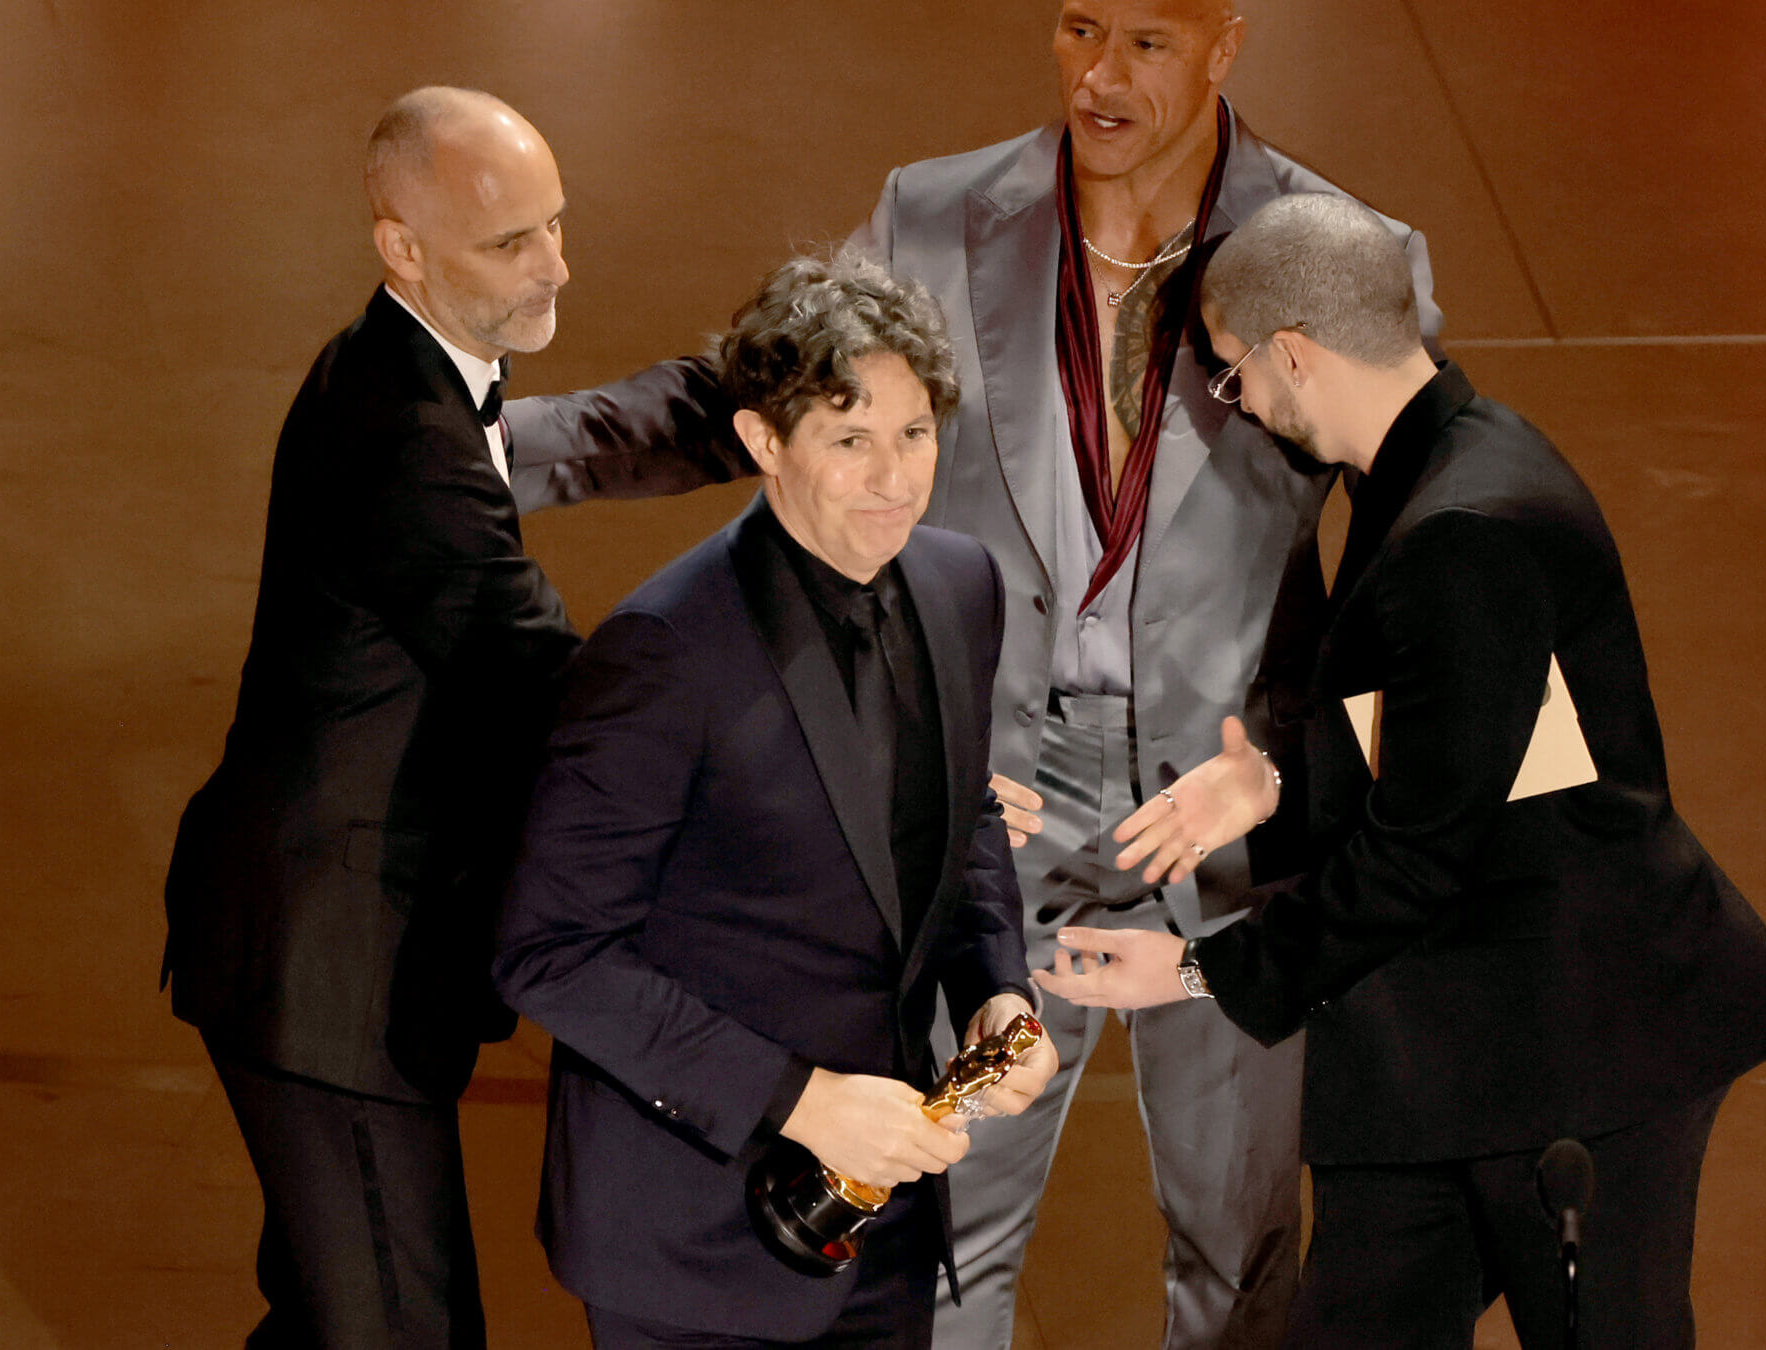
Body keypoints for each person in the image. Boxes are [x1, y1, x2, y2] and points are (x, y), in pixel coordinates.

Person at [503, 5, 1445, 1341]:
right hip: (988, 810)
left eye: (1149, 44)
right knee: (937, 1231)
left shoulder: (1336, 250)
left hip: (1228, 828)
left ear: (1227, 45)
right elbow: (765, 388)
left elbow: (1429, 554)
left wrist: (1298, 767)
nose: (1101, 76)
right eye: (1077, 28)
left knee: (1240, 1251)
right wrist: (488, 445)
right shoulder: (934, 214)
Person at [1034, 194, 1766, 1349]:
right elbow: (1473, 754)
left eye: (1237, 377)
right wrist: (1280, 788)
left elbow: (1424, 854)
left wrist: (1196, 972)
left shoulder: (1465, 532)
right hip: (1444, 1048)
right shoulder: (1443, 466)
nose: (1241, 406)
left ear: (1293, 352)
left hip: (1575, 1049)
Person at [161, 87, 749, 1348]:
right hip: (331, 979)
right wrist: (768, 751)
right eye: (511, 244)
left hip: (300, 948)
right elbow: (544, 679)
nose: (556, 267)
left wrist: (764, 392)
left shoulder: (404, 366)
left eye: (556, 225)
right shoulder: (405, 439)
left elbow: (585, 434)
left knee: (331, 1316)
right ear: (400, 248)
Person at [492, 252, 1060, 1350]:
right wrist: (802, 1100)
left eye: (915, 435)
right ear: (763, 443)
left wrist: (997, 991)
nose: (895, 478)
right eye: (850, 442)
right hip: (688, 1241)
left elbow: (964, 819)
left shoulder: (958, 585)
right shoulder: (661, 653)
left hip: (880, 1228)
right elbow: (548, 951)